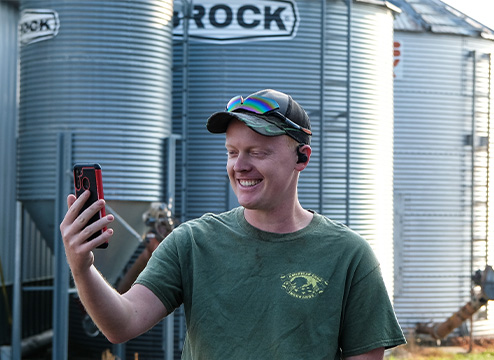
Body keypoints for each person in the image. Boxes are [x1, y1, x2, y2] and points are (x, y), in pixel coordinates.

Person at [60, 89, 406, 359]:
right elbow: (122, 323)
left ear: (302, 157)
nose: (239, 166)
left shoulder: (349, 256)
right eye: (231, 151)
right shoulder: (193, 243)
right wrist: (82, 267)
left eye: (258, 152)